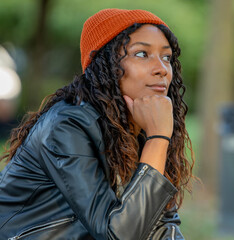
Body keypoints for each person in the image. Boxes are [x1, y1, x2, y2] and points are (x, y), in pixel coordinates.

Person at [0, 8, 195, 240]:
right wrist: (158, 139)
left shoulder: (139, 129)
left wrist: (153, 138)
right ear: (106, 65)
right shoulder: (66, 127)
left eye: (167, 57)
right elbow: (118, 236)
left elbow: (162, 227)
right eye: (142, 54)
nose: (162, 69)